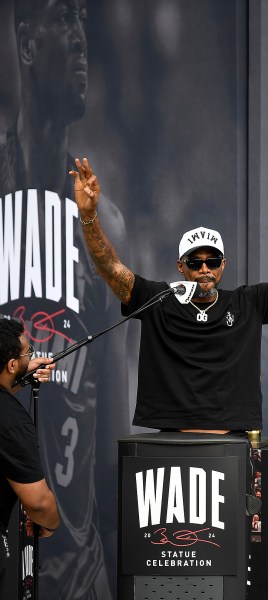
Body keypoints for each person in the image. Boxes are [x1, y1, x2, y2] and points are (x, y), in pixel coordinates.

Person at [69, 157, 268, 432]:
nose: (204, 269)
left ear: (223, 266)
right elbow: (109, 267)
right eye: (195, 262)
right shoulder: (159, 300)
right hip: (171, 443)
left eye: (213, 261)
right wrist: (89, 216)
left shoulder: (247, 303)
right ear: (181, 267)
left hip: (231, 443)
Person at [0, 1, 129, 597]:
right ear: (26, 42)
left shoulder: (104, 229)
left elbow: (114, 439)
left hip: (80, 572)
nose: (80, 37)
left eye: (83, 18)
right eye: (61, 17)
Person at [0, 318, 59, 591]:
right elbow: (38, 503)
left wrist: (22, 374)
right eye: (28, 353)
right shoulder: (12, 421)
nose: (32, 356)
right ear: (11, 365)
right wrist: (50, 523)